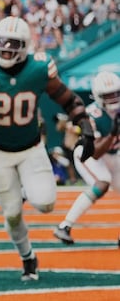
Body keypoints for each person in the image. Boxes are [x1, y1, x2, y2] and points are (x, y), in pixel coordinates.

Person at [0, 16, 95, 281]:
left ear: (25, 46)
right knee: (12, 214)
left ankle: (26, 191)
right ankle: (28, 258)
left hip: (30, 148)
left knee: (46, 203)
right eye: (2, 43)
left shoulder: (38, 68)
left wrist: (84, 124)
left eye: (13, 44)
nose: (6, 49)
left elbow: (66, 98)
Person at [53, 71, 120, 244]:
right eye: (108, 95)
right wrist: (113, 133)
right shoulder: (91, 114)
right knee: (102, 181)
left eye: (116, 93)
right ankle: (64, 226)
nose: (113, 98)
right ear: (98, 96)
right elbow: (95, 151)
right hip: (88, 152)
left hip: (112, 154)